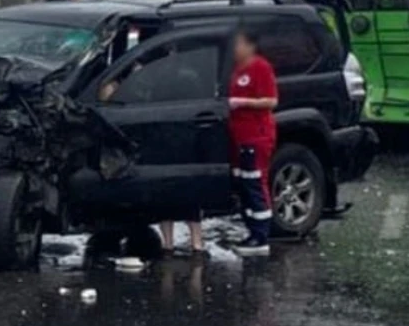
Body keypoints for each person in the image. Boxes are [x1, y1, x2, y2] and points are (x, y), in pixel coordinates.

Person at [98, 42, 204, 254]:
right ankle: (195, 242)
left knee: (169, 189)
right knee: (187, 190)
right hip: (182, 136)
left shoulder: (157, 79)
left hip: (165, 136)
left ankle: (170, 242)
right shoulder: (189, 76)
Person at [227, 28, 278, 257]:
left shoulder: (260, 67)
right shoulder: (236, 69)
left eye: (238, 44)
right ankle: (251, 231)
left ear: (250, 45)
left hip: (256, 135)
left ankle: (261, 235)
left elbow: (271, 100)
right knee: (244, 185)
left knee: (256, 183)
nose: (235, 49)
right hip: (238, 136)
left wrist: (243, 102)